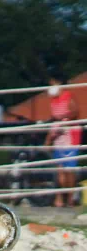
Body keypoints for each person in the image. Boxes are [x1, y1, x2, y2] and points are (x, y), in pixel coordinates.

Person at [44, 76, 81, 207]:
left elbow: (75, 113)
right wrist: (49, 138)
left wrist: (62, 120)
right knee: (59, 170)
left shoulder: (68, 96)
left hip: (70, 137)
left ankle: (70, 198)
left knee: (69, 170)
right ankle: (59, 198)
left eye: (52, 83)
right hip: (58, 138)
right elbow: (54, 121)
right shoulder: (53, 101)